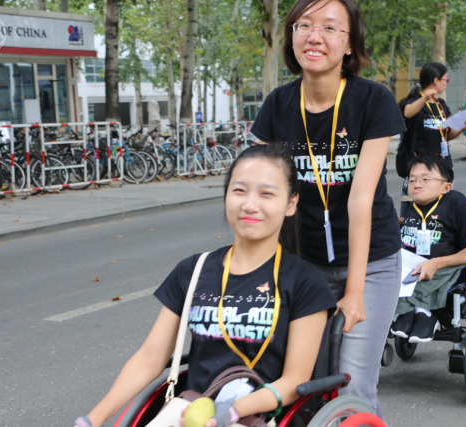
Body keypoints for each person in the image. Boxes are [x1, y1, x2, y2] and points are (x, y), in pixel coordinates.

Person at [73, 145, 337, 427]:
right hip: (190, 411)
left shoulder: (304, 282)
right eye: (239, 191)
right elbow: (150, 358)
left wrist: (231, 412)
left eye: (266, 193)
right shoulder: (194, 270)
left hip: (258, 415)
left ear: (291, 203)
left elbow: (295, 380)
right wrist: (93, 419)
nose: (249, 204)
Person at [250, 0, 405, 419]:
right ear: (291, 36)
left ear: (350, 44)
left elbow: (360, 198)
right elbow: (265, 200)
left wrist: (354, 292)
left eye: (330, 28)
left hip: (371, 263)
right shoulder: (277, 107)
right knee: (303, 385)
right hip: (306, 263)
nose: (314, 36)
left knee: (352, 387)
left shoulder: (373, 101)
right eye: (304, 25)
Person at [391, 154, 466, 342]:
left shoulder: (454, 201)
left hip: (446, 264)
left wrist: (436, 263)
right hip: (409, 264)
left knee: (427, 275)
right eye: (412, 180)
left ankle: (426, 314)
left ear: (446, 187)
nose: (417, 184)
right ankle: (406, 313)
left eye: (425, 179)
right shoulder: (412, 207)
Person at [397, 62, 466, 166]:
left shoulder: (441, 103)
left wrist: (462, 127)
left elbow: (447, 135)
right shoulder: (415, 101)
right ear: (436, 80)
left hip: (443, 164)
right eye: (446, 79)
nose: (447, 83)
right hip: (421, 165)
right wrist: (425, 98)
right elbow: (408, 113)